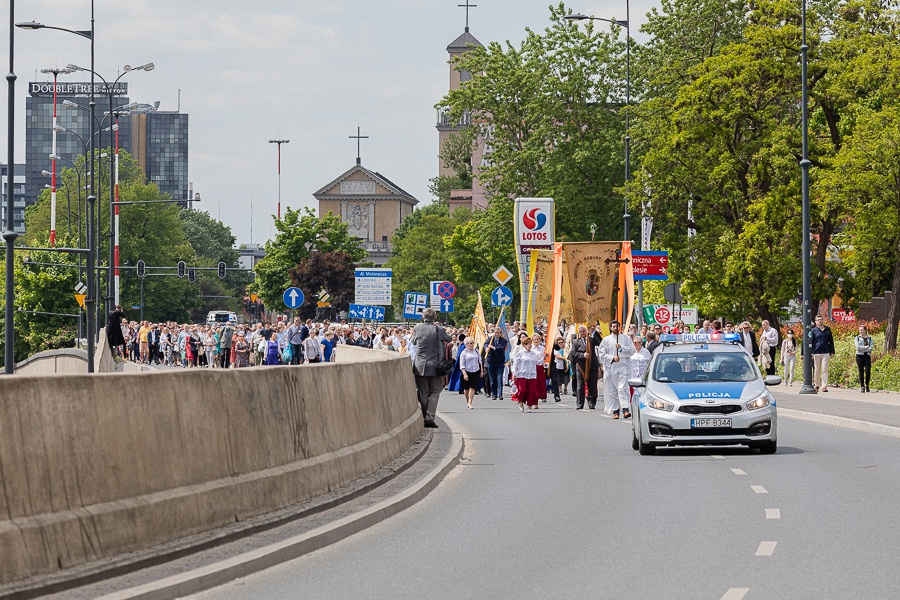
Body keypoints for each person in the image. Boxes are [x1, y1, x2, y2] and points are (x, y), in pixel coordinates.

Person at [411, 308, 452, 428]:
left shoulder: (417, 327)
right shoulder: (439, 329)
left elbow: (413, 341)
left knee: (423, 392)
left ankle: (424, 416)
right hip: (436, 366)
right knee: (436, 390)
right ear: (434, 318)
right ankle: (430, 416)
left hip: (420, 365)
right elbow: (449, 340)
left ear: (423, 317)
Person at [597, 320, 636, 419]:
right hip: (612, 368)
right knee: (613, 390)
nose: (615, 328)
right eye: (613, 326)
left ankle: (625, 409)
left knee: (622, 388)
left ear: (620, 328)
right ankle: (615, 410)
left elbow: (632, 350)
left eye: (617, 326)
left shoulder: (626, 338)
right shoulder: (606, 340)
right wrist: (612, 358)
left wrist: (622, 348)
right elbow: (601, 355)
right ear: (610, 328)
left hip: (624, 367)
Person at [568, 325, 600, 410]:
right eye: (581, 332)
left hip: (592, 365)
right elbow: (573, 353)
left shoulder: (591, 340)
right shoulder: (576, 342)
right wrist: (583, 355)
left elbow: (599, 342)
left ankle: (591, 403)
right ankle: (580, 403)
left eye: (584, 331)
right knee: (580, 386)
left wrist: (593, 331)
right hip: (581, 366)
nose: (583, 333)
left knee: (592, 385)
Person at [511, 335, 543, 412]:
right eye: (528, 344)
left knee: (531, 391)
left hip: (532, 375)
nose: (530, 345)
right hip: (522, 374)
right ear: (524, 345)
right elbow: (516, 363)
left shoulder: (533, 353)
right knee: (522, 390)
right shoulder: (521, 353)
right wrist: (514, 373)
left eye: (530, 344)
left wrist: (543, 358)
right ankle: (521, 402)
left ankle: (529, 406)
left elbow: (538, 362)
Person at [809, 314, 836, 391]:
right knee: (816, 370)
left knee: (824, 369)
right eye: (818, 320)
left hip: (825, 351)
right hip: (816, 352)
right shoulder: (813, 331)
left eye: (821, 319)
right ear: (815, 322)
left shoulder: (827, 329)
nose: (820, 321)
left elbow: (830, 340)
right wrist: (811, 352)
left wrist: (832, 351)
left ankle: (824, 386)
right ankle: (817, 384)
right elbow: (811, 342)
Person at [458, 337, 483, 409]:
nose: (472, 345)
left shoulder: (476, 351)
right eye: (470, 343)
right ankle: (467, 401)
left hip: (475, 370)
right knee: (466, 388)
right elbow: (462, 365)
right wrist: (464, 374)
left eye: (473, 343)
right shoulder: (464, 353)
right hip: (467, 371)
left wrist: (481, 371)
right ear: (466, 344)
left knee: (473, 387)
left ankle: (470, 402)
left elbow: (480, 361)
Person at [484, 327, 509, 400]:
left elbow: (501, 348)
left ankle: (500, 394)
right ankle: (494, 394)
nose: (497, 334)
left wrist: (493, 348)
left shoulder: (503, 341)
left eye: (498, 333)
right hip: (491, 362)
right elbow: (485, 344)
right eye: (495, 333)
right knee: (492, 379)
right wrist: (486, 348)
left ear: (500, 333)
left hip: (500, 362)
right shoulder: (490, 339)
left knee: (499, 378)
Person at [549, 337, 569, 402]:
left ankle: (556, 395)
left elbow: (557, 348)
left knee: (555, 380)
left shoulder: (551, 343)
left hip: (552, 364)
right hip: (543, 364)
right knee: (544, 381)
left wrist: (554, 343)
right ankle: (543, 396)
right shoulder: (542, 345)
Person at [855, 324, 873, 393]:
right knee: (861, 371)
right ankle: (862, 386)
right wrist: (866, 347)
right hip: (859, 356)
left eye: (862, 330)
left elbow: (871, 348)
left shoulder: (870, 338)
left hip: (867, 356)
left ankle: (867, 385)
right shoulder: (857, 338)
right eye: (859, 330)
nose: (860, 332)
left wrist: (864, 349)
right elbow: (858, 347)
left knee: (868, 371)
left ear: (865, 330)